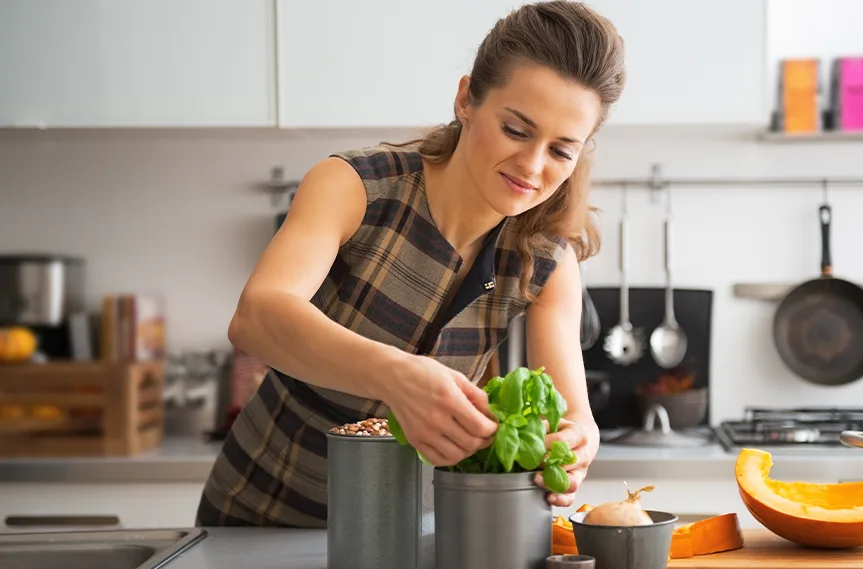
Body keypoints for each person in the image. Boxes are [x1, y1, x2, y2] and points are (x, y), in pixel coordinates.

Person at [195, 0, 626, 527]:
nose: (533, 166)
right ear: (467, 100)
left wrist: (578, 440)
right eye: (516, 130)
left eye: (561, 150)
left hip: (404, 539)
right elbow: (257, 317)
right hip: (256, 520)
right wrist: (397, 376)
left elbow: (572, 414)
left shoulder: (546, 258)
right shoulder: (358, 186)